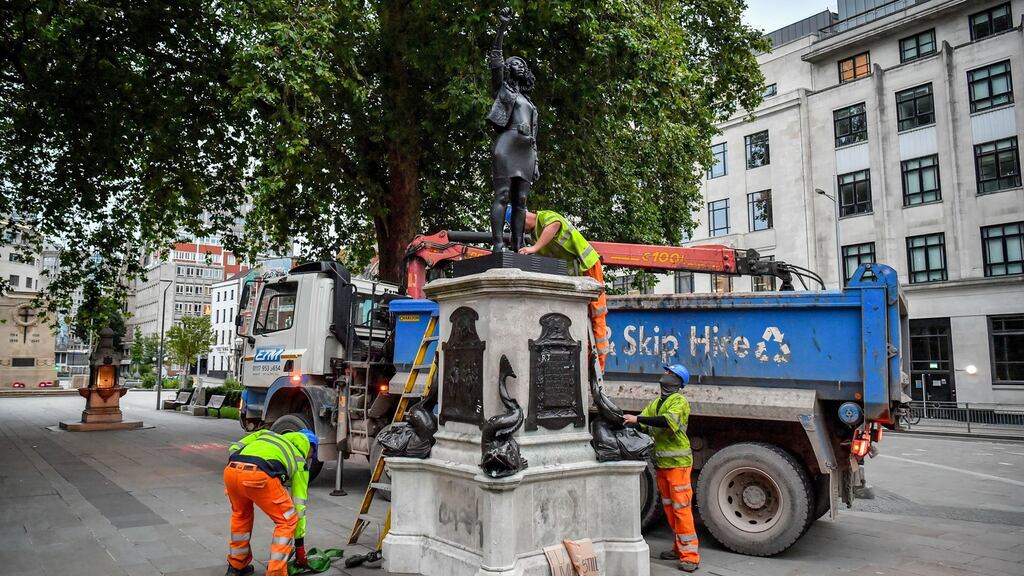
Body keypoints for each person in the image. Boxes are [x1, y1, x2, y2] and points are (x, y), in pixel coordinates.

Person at [623, 364, 699, 572]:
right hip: (663, 465)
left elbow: (666, 422)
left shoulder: (679, 402)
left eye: (669, 373)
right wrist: (622, 421)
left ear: (677, 381)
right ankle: (678, 548)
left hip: (678, 465)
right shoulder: (656, 403)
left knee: (681, 510)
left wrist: (638, 418)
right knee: (670, 509)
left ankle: (690, 556)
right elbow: (642, 425)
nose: (664, 376)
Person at [516, 209, 608, 369]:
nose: (522, 230)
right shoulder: (535, 235)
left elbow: (555, 224)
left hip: (588, 265)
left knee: (596, 314)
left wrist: (534, 248)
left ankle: (599, 368)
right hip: (576, 274)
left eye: (519, 225)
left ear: (523, 218)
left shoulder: (545, 217)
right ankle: (587, 366)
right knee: (582, 318)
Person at [223, 428, 317, 576]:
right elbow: (299, 507)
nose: (310, 457)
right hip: (260, 474)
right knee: (287, 520)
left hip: (231, 470)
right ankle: (276, 572)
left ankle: (236, 566)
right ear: (310, 446)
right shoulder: (300, 461)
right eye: (312, 454)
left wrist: (238, 464)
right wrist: (299, 547)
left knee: (241, 515)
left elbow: (235, 446)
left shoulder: (267, 434)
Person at [487, 7, 539, 253]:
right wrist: (502, 28)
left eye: (522, 63)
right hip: (507, 145)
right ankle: (498, 244)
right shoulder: (503, 89)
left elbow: (535, 137)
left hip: (527, 149)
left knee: (521, 201)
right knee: (503, 195)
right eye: (514, 63)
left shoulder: (529, 102)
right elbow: (496, 58)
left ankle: (518, 245)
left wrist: (536, 161)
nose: (519, 65)